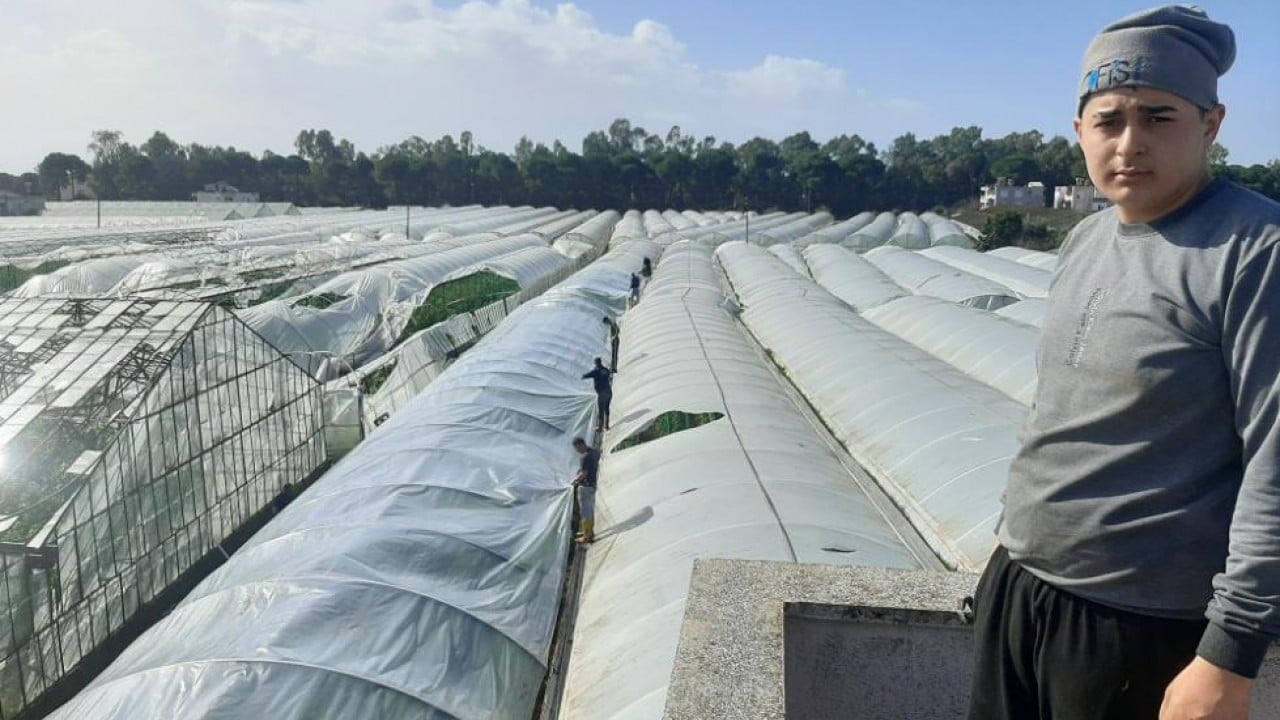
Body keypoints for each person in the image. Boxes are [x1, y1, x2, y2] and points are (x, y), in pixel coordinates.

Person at [969, 7, 1280, 720]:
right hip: (1020, 591)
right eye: (1109, 120)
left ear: (1211, 124)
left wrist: (1230, 653)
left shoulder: (1254, 252)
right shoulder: (1086, 238)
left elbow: (1275, 460)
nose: (1130, 144)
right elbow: (1060, 412)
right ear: (1080, 132)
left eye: (1159, 118)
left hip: (1140, 626)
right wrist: (1010, 545)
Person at [572, 437, 600, 544]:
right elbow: (588, 468)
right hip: (593, 485)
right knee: (590, 510)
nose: (578, 451)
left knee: (585, 512)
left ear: (581, 445)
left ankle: (587, 536)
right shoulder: (594, 452)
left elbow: (584, 474)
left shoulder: (585, 457)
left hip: (586, 487)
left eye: (577, 448)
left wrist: (575, 482)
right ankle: (588, 532)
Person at [581, 357, 613, 432]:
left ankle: (600, 428)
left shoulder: (596, 371)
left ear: (596, 363)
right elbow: (609, 376)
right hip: (609, 391)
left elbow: (586, 376)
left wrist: (580, 376)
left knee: (601, 410)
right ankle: (606, 425)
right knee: (607, 408)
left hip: (602, 393)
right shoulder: (606, 370)